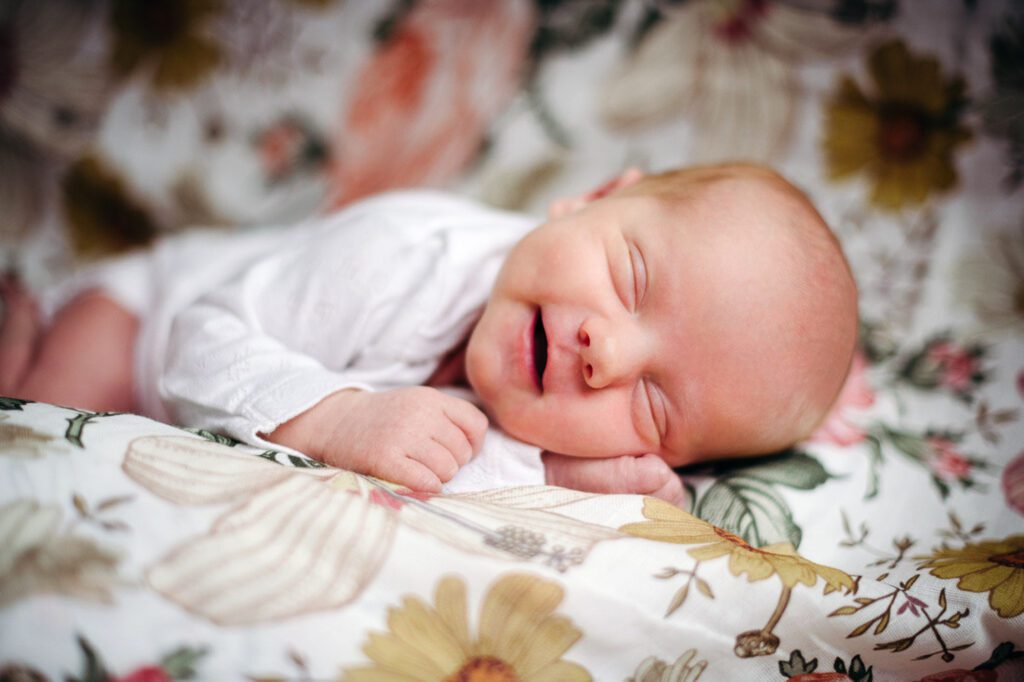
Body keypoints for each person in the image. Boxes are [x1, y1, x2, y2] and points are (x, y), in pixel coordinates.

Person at [0, 163, 858, 505]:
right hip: (145, 324)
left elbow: (447, 462)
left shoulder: (545, 407)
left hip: (197, 385)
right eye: (633, 279)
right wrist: (338, 422)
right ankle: (29, 327)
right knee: (42, 432)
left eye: (656, 402)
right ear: (594, 194)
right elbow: (201, 339)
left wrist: (559, 471)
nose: (612, 355)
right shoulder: (408, 256)